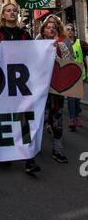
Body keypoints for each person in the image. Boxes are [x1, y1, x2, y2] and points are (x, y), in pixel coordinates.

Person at [0, 3, 40, 175]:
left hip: (21, 82)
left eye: (15, 11)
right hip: (3, 82)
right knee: (5, 118)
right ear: (3, 15)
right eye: (8, 11)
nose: (13, 13)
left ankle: (29, 158)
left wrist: (48, 49)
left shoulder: (24, 34)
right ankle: (5, 152)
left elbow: (35, 53)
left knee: (24, 118)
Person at [40, 20, 72, 163]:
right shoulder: (36, 46)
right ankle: (33, 147)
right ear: (43, 31)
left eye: (54, 27)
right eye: (48, 27)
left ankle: (57, 150)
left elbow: (69, 64)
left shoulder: (61, 46)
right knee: (41, 119)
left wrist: (56, 53)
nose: (51, 29)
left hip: (57, 91)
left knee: (57, 119)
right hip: (40, 91)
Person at [65, 23, 88, 130]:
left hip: (79, 74)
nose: (70, 31)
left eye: (71, 29)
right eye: (67, 29)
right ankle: (72, 119)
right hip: (68, 75)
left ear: (74, 31)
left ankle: (76, 116)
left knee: (77, 99)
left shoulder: (81, 43)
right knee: (71, 97)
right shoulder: (62, 44)